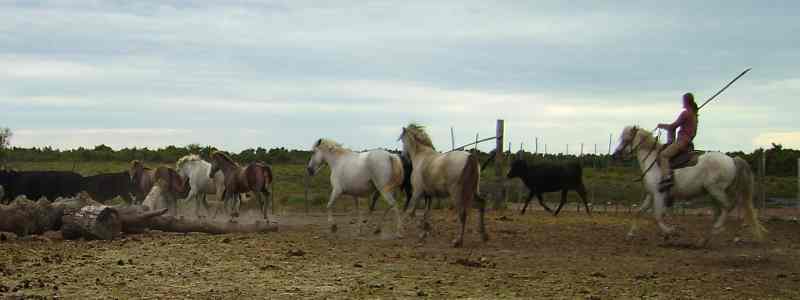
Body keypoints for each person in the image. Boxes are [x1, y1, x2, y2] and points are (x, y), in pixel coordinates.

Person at [656, 92, 698, 191]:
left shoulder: (686, 113)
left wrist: (661, 125)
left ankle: (667, 179)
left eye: (683, 100)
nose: (682, 102)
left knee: (663, 155)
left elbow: (673, 127)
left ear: (686, 101)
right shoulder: (694, 115)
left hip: (682, 142)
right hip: (688, 142)